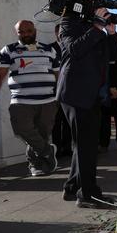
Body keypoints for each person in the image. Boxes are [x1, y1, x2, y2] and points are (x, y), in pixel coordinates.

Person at [57, 0, 117, 209]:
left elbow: (114, 56)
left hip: (92, 93)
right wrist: (97, 27)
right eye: (95, 2)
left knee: (83, 144)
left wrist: (112, 33)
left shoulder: (98, 28)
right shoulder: (69, 22)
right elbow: (74, 50)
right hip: (75, 92)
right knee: (86, 146)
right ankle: (88, 195)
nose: (99, 6)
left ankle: (72, 187)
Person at [0, 20, 60, 177]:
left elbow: (57, 75)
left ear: (35, 31)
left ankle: (37, 165)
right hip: (21, 102)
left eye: (29, 31)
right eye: (21, 32)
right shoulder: (9, 50)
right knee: (23, 129)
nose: (26, 34)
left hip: (48, 102)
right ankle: (48, 150)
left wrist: (59, 97)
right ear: (17, 33)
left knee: (41, 135)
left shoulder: (49, 50)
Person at [50, 24, 72, 157]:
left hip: (69, 91)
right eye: (61, 32)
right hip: (53, 92)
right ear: (56, 33)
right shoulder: (49, 49)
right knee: (56, 122)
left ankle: (67, 147)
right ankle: (57, 149)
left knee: (68, 121)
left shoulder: (72, 47)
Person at [99, 56, 117, 152]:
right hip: (105, 94)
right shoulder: (102, 59)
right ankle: (104, 144)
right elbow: (100, 76)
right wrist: (108, 89)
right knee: (105, 120)